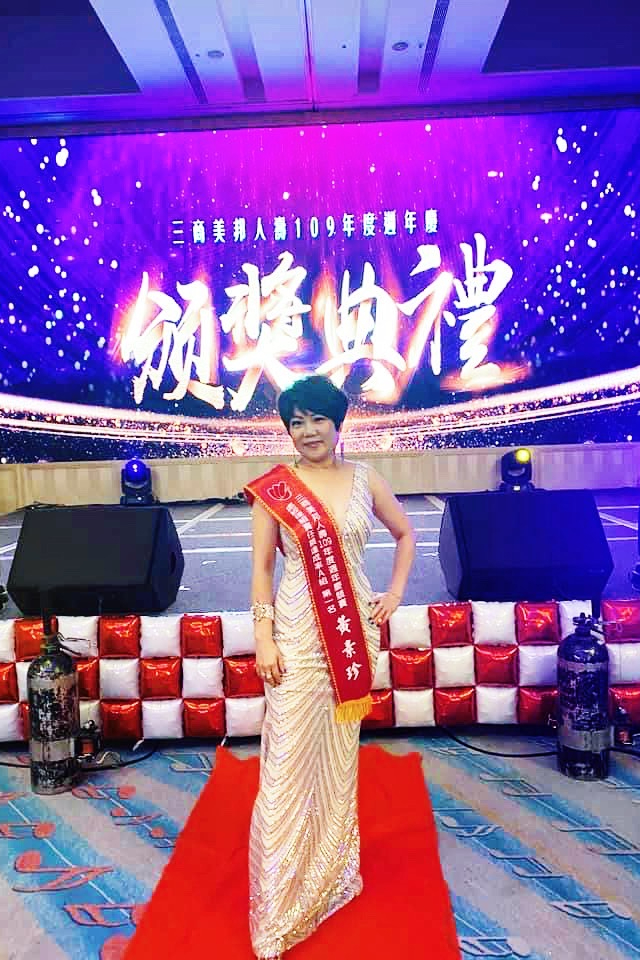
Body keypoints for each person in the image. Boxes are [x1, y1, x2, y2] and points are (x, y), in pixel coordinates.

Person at [243, 375, 415, 959]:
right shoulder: (275, 490)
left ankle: (330, 874)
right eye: (297, 422)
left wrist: (394, 594)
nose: (308, 431)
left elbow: (405, 533)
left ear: (338, 423)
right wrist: (263, 638)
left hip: (352, 633)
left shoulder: (366, 478)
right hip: (296, 637)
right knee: (287, 763)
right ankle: (278, 906)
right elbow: (262, 570)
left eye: (318, 419)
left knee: (338, 758)